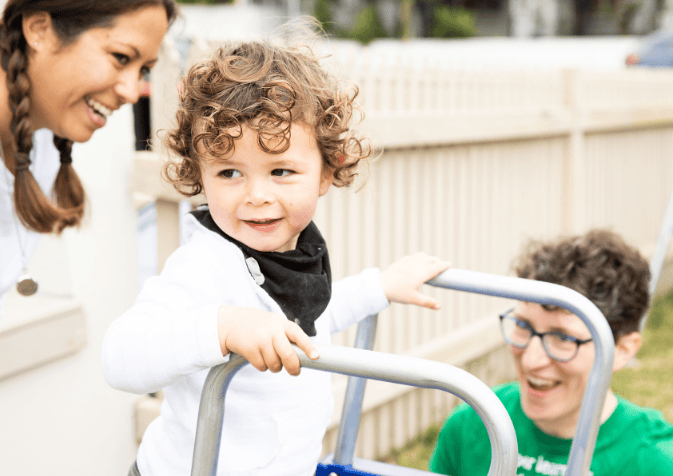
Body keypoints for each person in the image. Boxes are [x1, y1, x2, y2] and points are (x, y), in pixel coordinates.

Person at [102, 39, 452, 476]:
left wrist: (377, 287)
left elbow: (307, 321)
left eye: (281, 171)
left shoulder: (298, 250)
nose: (257, 196)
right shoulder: (205, 265)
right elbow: (120, 357)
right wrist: (223, 326)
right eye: (229, 172)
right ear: (199, 174)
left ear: (326, 171)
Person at [429, 229, 673, 476]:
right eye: (524, 325)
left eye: (562, 338)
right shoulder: (475, 423)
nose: (531, 359)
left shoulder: (656, 460)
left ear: (621, 350)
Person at [0, 0, 177, 309]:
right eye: (121, 57)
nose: (132, 92)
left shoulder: (40, 147)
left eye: (144, 70)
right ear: (39, 29)